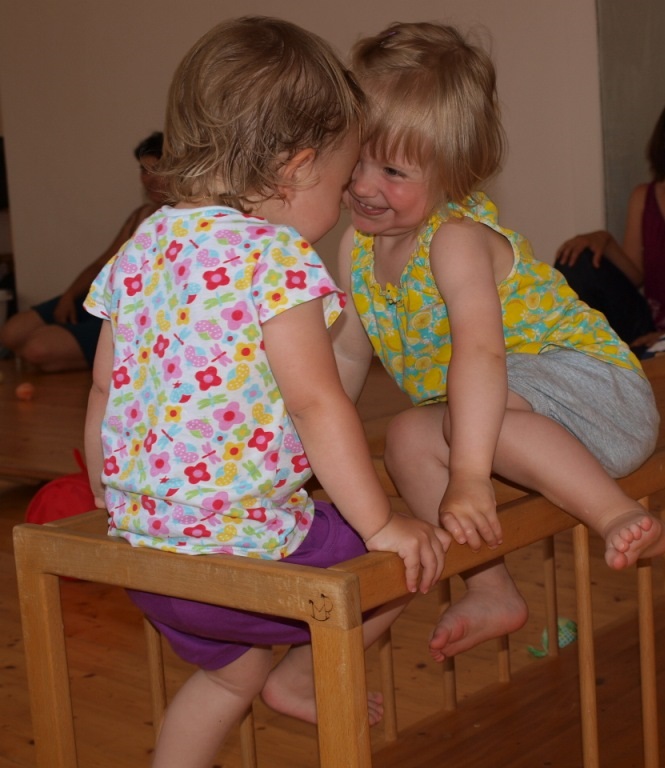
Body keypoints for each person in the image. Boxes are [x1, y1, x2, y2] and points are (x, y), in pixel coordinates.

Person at [83, 17, 447, 768]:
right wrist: (381, 526)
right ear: (298, 168)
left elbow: (101, 392)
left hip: (147, 551)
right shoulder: (275, 258)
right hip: (245, 553)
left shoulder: (143, 245)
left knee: (229, 675)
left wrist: (111, 502)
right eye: (343, 178)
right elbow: (318, 406)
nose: (348, 198)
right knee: (401, 567)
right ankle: (306, 681)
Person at [331, 21, 665, 665]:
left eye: (394, 170)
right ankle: (491, 589)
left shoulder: (454, 240)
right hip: (505, 412)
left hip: (596, 392)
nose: (366, 186)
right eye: (354, 162)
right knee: (404, 437)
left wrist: (469, 474)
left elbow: (482, 355)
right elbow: (348, 353)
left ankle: (617, 514)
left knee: (466, 419)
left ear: (453, 173)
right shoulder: (354, 248)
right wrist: (316, 452)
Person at [0, 131, 166, 372]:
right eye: (144, 170)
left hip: (131, 312)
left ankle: (114, 359)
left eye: (156, 170)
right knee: (12, 332)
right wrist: (69, 296)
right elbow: (103, 263)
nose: (149, 179)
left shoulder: (180, 221)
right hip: (105, 296)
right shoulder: (141, 214)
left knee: (37, 349)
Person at [556, 105, 665, 350]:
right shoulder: (644, 196)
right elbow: (635, 275)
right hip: (648, 327)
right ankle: (581, 360)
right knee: (577, 259)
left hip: (661, 338)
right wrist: (603, 240)